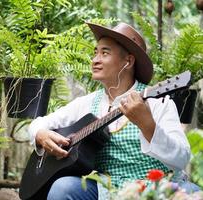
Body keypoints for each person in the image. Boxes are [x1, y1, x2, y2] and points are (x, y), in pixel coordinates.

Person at [28, 22, 199, 200]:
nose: (95, 60)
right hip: (106, 190)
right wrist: (40, 134)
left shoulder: (157, 101)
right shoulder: (87, 103)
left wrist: (147, 125)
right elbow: (39, 123)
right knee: (62, 188)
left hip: (154, 189)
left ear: (128, 61)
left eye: (105, 53)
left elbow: (182, 158)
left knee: (193, 193)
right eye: (95, 53)